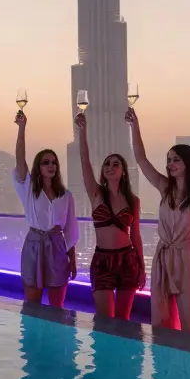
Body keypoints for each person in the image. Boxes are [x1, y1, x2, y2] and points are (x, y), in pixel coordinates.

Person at [126, 105, 190, 336]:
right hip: (163, 256)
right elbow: (141, 159)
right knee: (161, 321)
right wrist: (134, 126)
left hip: (188, 258)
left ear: (188, 163)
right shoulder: (165, 188)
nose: (170, 164)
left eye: (175, 160)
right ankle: (165, 359)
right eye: (169, 160)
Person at [75, 111, 145, 319]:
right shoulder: (96, 193)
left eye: (116, 164)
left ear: (124, 171)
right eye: (107, 164)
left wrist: (142, 269)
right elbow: (84, 161)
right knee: (104, 320)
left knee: (123, 321)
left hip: (128, 260)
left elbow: (136, 236)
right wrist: (82, 131)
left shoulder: (133, 200)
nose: (110, 167)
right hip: (102, 260)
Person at [13, 110, 79, 307]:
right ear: (38, 167)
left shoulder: (65, 196)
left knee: (57, 306)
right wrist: (22, 128)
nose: (51, 165)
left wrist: (72, 260)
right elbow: (20, 159)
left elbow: (70, 231)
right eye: (46, 162)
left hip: (57, 247)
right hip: (34, 246)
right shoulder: (29, 189)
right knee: (31, 305)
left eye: (54, 162)